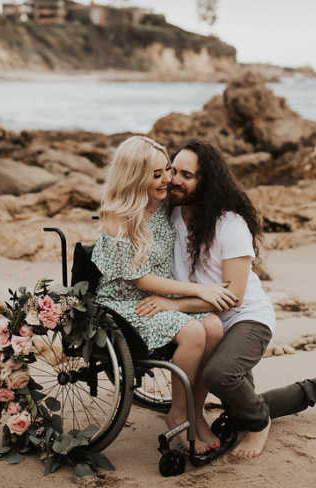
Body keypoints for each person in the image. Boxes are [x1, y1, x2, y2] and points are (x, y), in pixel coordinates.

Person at [135, 139, 316, 459]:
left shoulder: (229, 224)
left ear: (206, 182)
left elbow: (233, 297)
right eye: (172, 170)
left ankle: (259, 424)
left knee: (220, 376)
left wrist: (175, 304)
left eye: (187, 175)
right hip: (203, 320)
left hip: (245, 317)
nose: (174, 180)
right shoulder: (171, 214)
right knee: (233, 412)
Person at [90, 135, 234, 454]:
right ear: (135, 177)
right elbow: (141, 280)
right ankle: (177, 415)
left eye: (167, 170)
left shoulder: (162, 204)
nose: (167, 179)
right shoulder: (118, 216)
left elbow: (202, 194)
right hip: (123, 303)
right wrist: (199, 289)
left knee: (214, 326)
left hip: (158, 296)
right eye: (157, 174)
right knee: (195, 332)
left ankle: (196, 414)